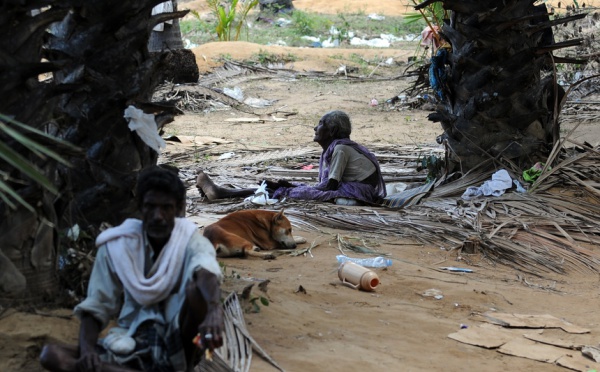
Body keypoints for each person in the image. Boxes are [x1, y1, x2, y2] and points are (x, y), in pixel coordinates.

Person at [40, 166, 224, 372]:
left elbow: (206, 272)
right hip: (130, 341)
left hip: (178, 341)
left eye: (166, 208)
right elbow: (96, 305)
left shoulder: (190, 241)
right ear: (140, 207)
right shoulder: (118, 244)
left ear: (179, 208)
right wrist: (87, 352)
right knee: (51, 355)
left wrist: (214, 310)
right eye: (150, 207)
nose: (158, 216)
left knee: (195, 290)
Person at [196, 110, 386, 205]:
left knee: (289, 192)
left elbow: (330, 186)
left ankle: (222, 193)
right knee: (287, 188)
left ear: (332, 131)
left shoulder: (341, 149)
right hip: (353, 188)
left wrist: (290, 187)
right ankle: (222, 193)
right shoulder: (339, 148)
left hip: (358, 192)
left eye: (320, 124)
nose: (315, 128)